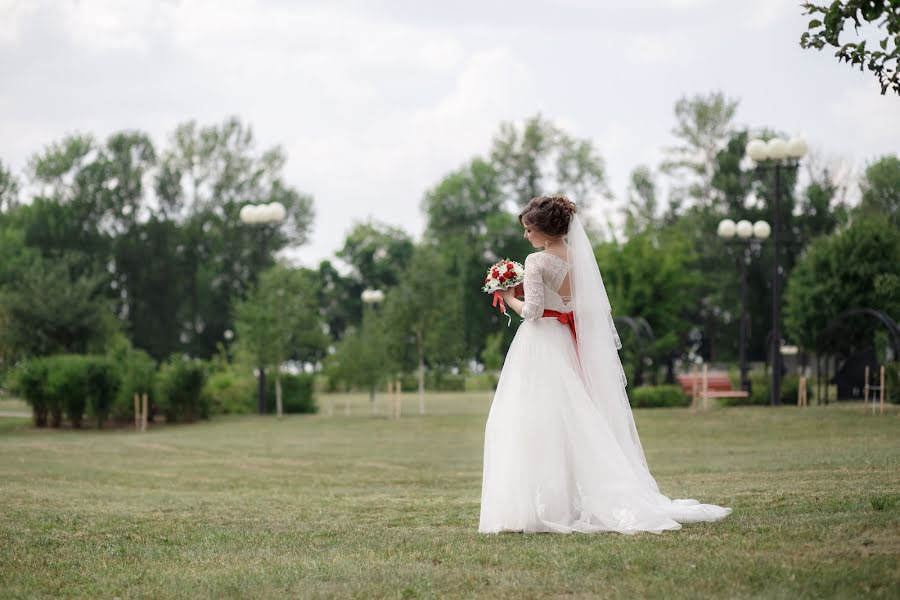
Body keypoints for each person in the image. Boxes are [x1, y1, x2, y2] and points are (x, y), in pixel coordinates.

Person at [479, 195, 732, 534]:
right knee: (571, 421)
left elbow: (535, 312)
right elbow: (569, 301)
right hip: (569, 342)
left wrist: (510, 297)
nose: (526, 236)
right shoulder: (577, 257)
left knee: (536, 422)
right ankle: (570, 501)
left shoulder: (537, 261)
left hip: (542, 345)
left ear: (543, 230)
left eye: (528, 229)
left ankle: (548, 505)